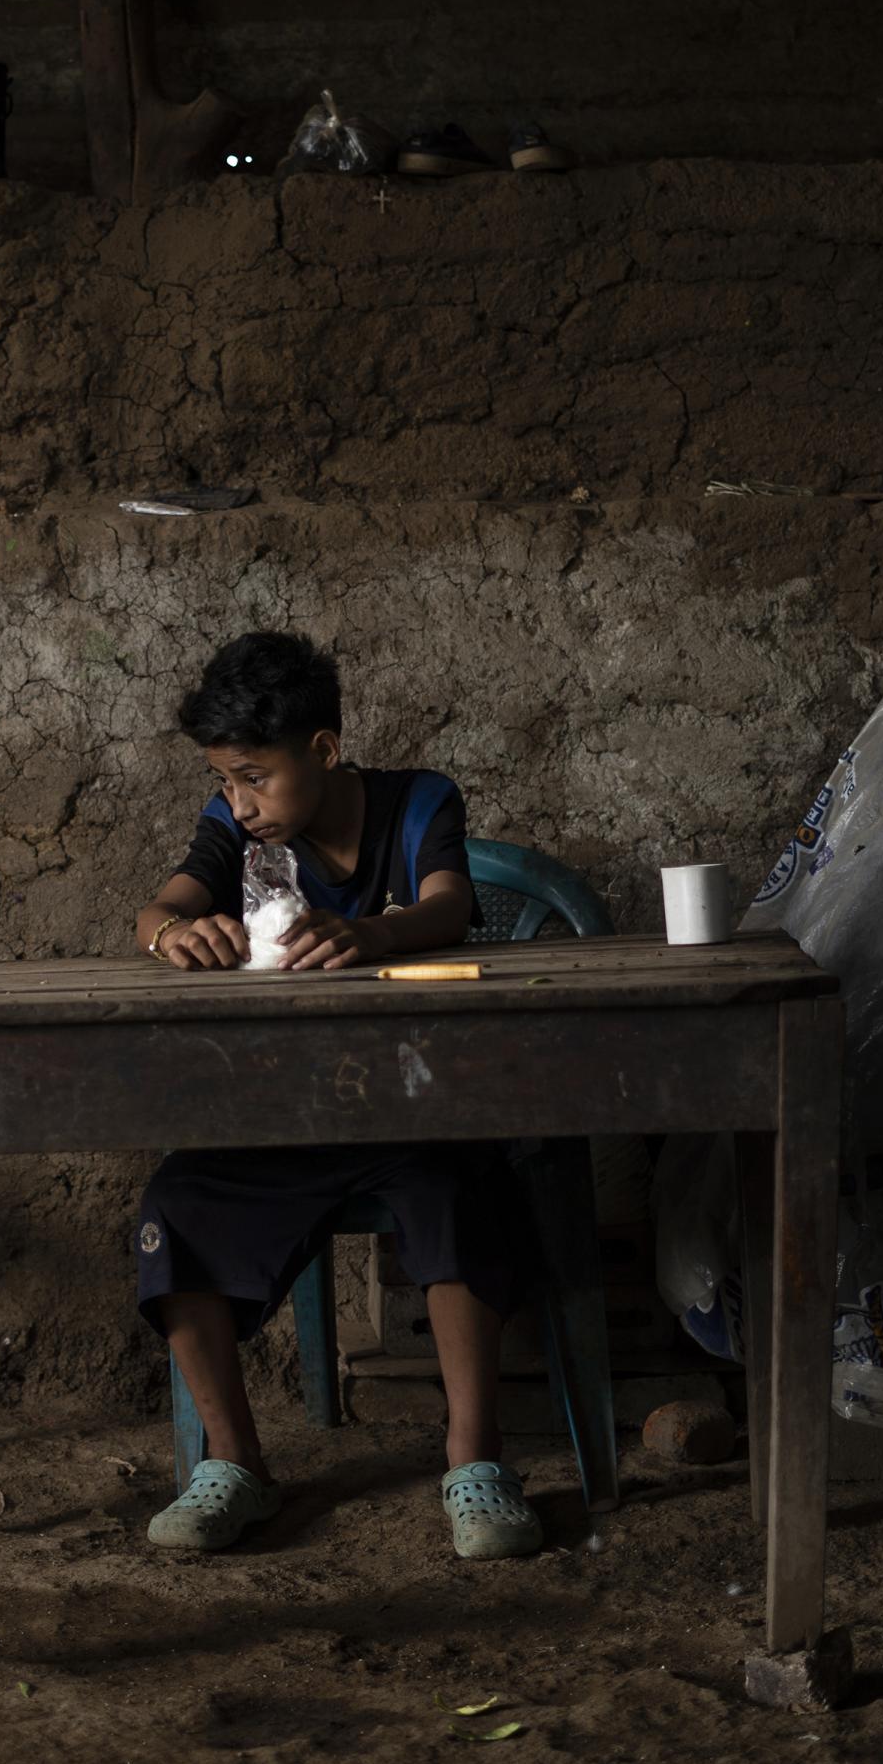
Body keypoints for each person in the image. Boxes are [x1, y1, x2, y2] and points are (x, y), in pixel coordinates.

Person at [129, 631, 545, 1559]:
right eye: (225, 781)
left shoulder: (417, 803)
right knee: (177, 1206)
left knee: (458, 1191)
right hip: (282, 1112)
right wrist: (172, 939)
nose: (240, 804)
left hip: (417, 1107)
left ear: (321, 749)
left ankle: (475, 1463)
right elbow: (161, 908)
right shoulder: (232, 825)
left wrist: (371, 934)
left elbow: (446, 905)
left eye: (254, 778)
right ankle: (234, 1467)